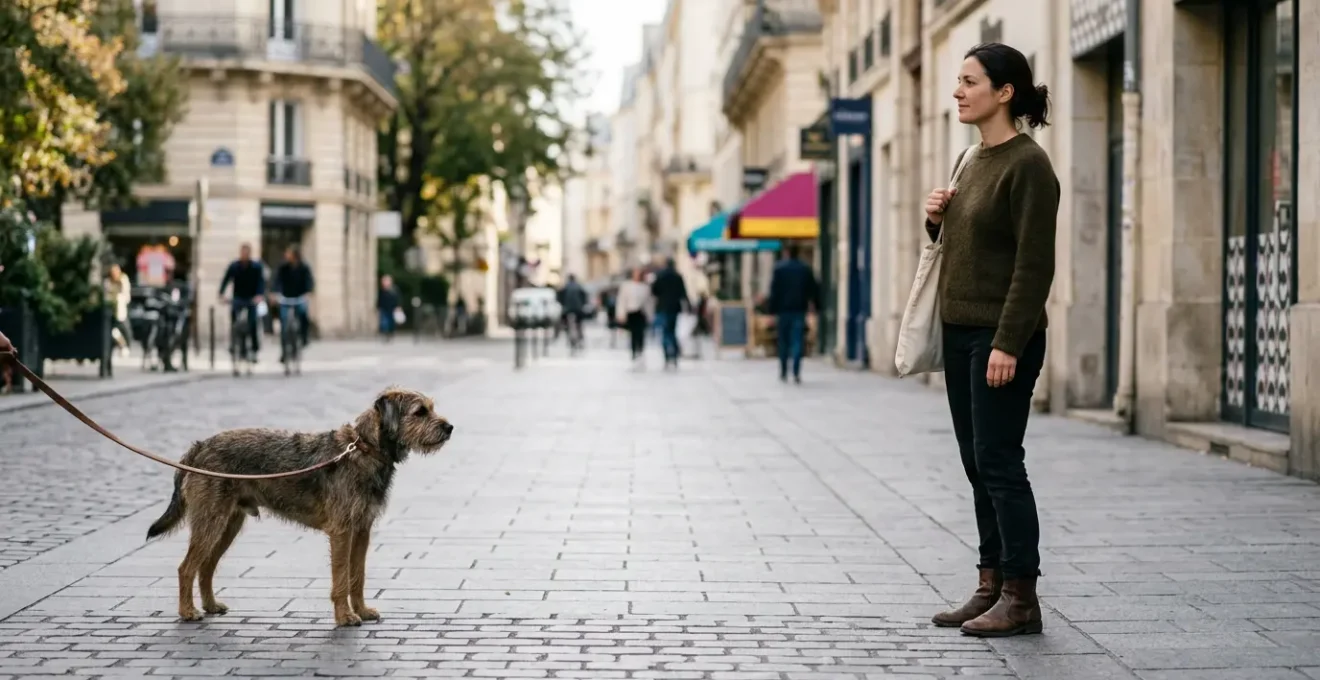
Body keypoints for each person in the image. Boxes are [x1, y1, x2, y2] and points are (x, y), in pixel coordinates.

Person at [924, 42, 1059, 638]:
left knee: (1001, 462)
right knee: (977, 463)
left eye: (968, 81)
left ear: (1004, 93)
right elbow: (967, 246)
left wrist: (1008, 340)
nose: (957, 90)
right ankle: (989, 584)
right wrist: (936, 219)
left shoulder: (1028, 165)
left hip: (1001, 336)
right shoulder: (968, 160)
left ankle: (1021, 596)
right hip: (960, 332)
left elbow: (1034, 266)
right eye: (957, 80)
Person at [766, 244, 819, 384]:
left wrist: (771, 312)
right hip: (799, 310)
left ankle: (783, 371)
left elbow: (774, 292)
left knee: (783, 342)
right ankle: (796, 372)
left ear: (787, 252)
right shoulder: (805, 269)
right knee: (797, 341)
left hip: (783, 311)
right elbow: (813, 290)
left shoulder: (779, 269)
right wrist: (813, 306)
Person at [218, 244, 266, 360]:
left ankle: (254, 349)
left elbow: (261, 282)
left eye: (246, 253)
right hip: (238, 298)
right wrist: (221, 293)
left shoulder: (256, 267)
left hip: (251, 298)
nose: (244, 255)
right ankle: (234, 344)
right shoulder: (234, 266)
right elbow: (226, 279)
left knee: (253, 323)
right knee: (235, 321)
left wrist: (259, 295)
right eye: (243, 253)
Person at [272, 245, 315, 361]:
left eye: (288, 253)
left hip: (299, 297)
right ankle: (284, 351)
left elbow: (309, 280)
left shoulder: (304, 267)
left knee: (303, 314)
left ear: (294, 255)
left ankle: (304, 337)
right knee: (284, 323)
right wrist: (275, 293)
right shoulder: (283, 267)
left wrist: (308, 292)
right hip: (286, 298)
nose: (286, 255)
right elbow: (277, 281)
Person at [649, 257, 690, 369]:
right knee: (672, 331)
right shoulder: (678, 276)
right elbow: (683, 293)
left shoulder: (660, 276)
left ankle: (667, 356)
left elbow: (653, 291)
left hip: (662, 308)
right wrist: (688, 306)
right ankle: (674, 355)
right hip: (674, 308)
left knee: (664, 332)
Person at [614, 268, 651, 365]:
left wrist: (650, 315)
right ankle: (634, 352)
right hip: (631, 312)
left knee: (641, 333)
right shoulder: (626, 286)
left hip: (641, 313)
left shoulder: (645, 287)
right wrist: (621, 314)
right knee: (633, 334)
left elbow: (649, 302)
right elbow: (622, 300)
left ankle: (641, 351)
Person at [103, 263, 134, 356]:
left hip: (121, 310)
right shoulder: (108, 282)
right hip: (111, 311)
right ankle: (122, 345)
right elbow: (106, 296)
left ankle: (126, 346)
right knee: (114, 332)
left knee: (127, 331)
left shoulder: (123, 279)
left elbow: (126, 294)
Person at [558, 274, 588, 349]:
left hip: (567, 309)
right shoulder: (579, 286)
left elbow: (559, 296)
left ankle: (567, 332)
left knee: (565, 322)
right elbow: (584, 296)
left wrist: (563, 304)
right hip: (578, 309)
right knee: (579, 323)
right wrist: (582, 304)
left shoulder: (565, 287)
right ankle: (580, 336)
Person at [377, 274, 400, 341]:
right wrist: (378, 306)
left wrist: (398, 306)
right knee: (384, 322)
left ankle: (390, 332)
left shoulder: (394, 289)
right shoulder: (382, 290)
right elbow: (379, 299)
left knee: (391, 322)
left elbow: (398, 298)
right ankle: (385, 333)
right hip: (384, 308)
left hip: (392, 308)